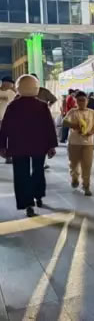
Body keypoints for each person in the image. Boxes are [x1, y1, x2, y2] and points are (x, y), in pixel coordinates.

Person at [0, 75, 57, 217]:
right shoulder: (42, 106)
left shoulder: (13, 106)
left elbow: (5, 127)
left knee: (21, 174)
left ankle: (27, 203)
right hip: (39, 144)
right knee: (38, 171)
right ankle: (38, 195)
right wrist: (51, 145)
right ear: (36, 88)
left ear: (18, 87)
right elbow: (49, 127)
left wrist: (2, 145)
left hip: (18, 145)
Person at [63, 91, 94, 196]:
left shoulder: (92, 112)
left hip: (88, 143)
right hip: (74, 142)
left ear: (87, 101)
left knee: (87, 165)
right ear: (76, 101)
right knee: (73, 164)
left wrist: (90, 132)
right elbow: (64, 122)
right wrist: (75, 126)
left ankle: (86, 185)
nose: (81, 102)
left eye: (83, 100)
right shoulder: (73, 112)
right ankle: (74, 178)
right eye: (79, 100)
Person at [0, 77, 16, 164]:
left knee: (6, 139)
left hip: (6, 119)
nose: (11, 86)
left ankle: (8, 156)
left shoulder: (12, 93)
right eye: (10, 84)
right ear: (4, 83)